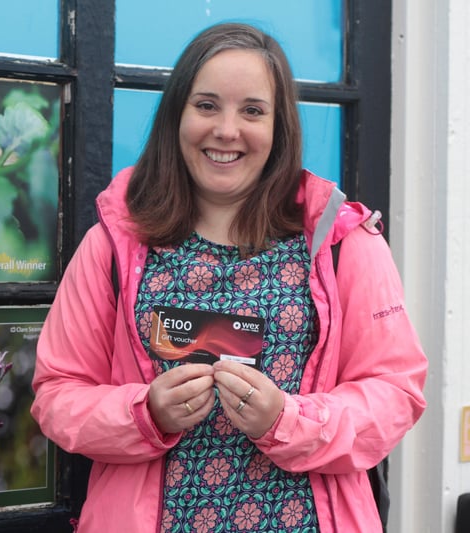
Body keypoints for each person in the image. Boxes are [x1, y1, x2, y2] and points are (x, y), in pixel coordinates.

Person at [30, 22, 427, 533]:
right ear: (177, 115)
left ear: (279, 128)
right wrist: (145, 412)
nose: (226, 130)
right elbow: (58, 393)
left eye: (253, 111)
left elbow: (396, 392)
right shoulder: (113, 245)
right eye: (207, 105)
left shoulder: (343, 243)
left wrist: (288, 421)